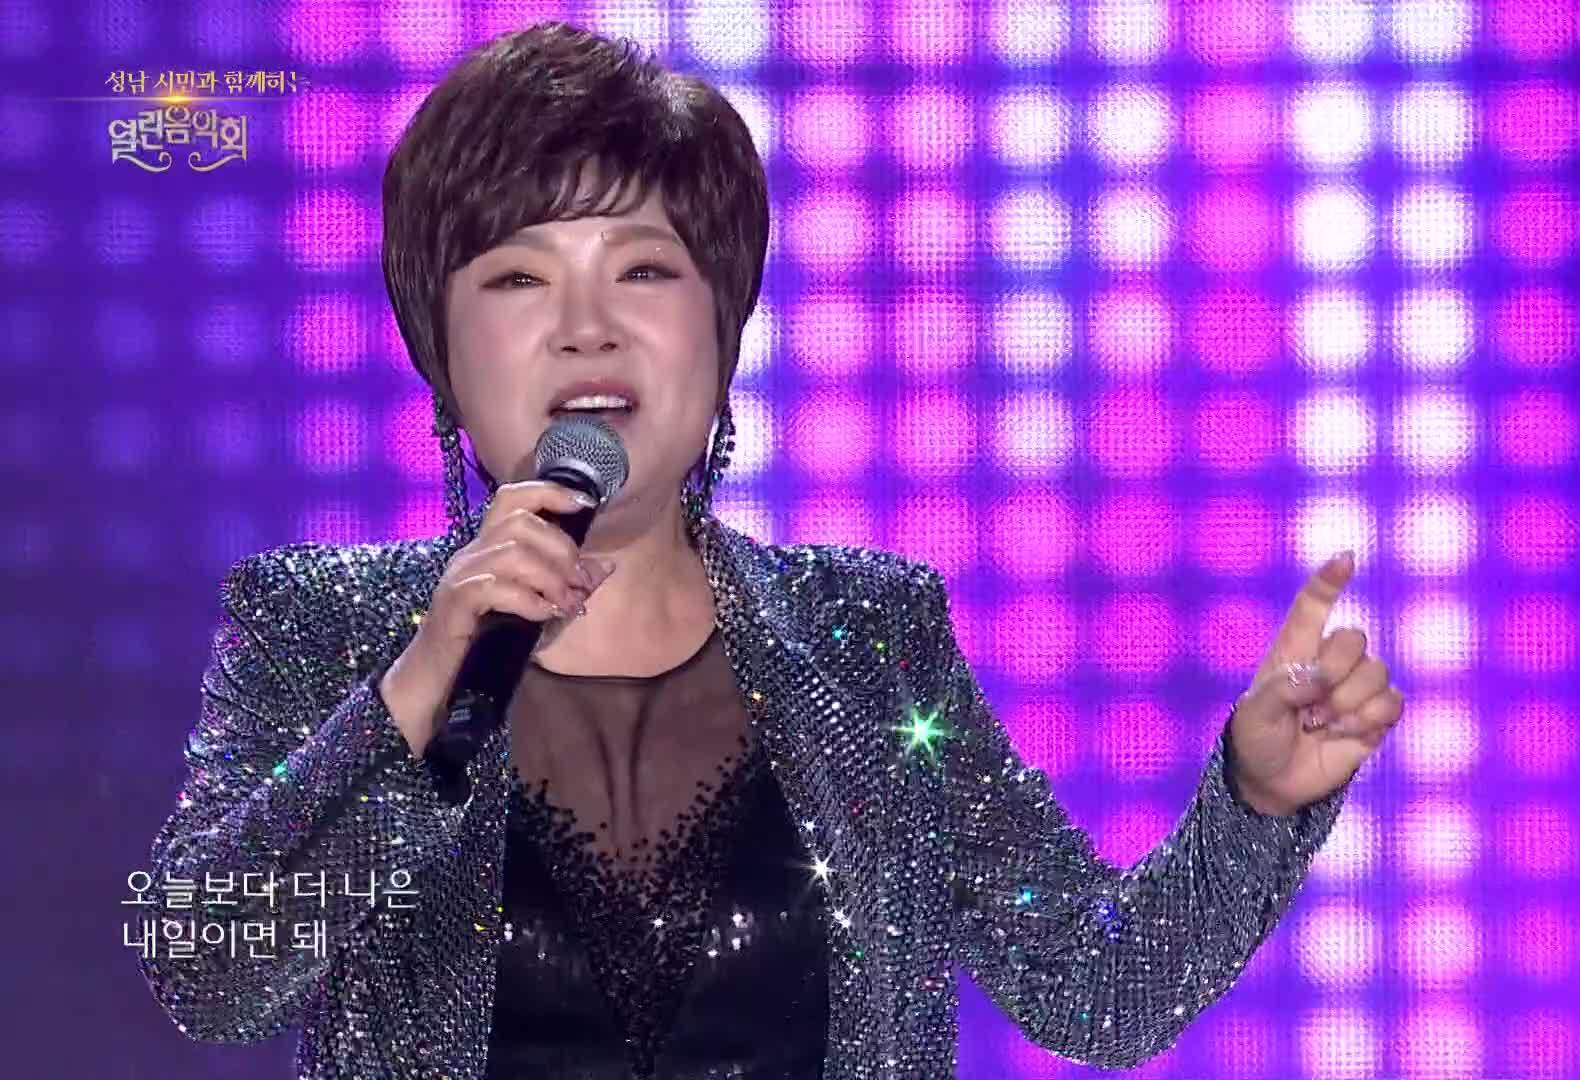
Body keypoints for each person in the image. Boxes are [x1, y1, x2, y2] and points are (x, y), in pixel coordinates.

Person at [134, 21, 1405, 1080]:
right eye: (519, 280)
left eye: (644, 270)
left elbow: (1099, 992)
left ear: (723, 330)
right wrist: (423, 682)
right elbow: (208, 973)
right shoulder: (322, 626)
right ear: (440, 353)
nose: (587, 328)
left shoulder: (871, 641)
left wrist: (1255, 801)